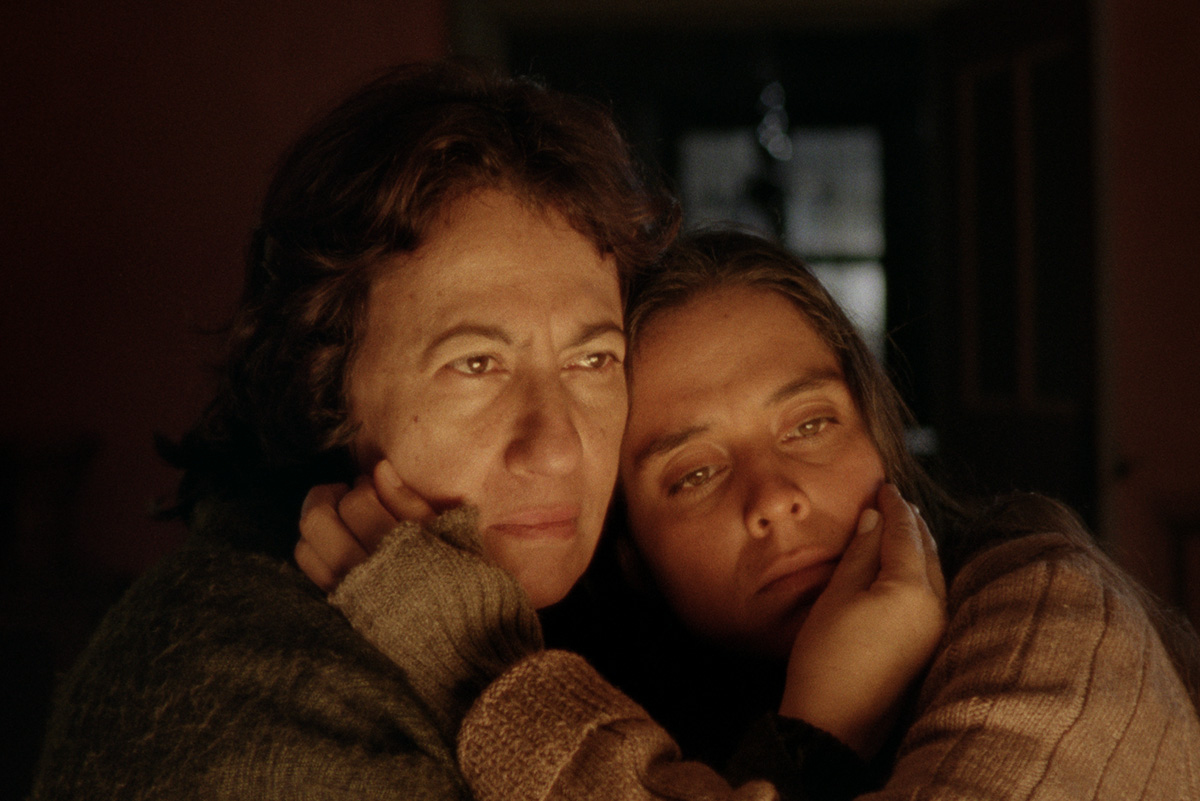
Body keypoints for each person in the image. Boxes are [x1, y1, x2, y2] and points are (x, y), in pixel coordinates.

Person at [300, 229, 1200, 800]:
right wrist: (813, 735)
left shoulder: (1055, 614)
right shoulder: (654, 693)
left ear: (879, 435)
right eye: (693, 473)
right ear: (632, 553)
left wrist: (470, 661)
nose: (774, 499)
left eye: (810, 425)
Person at [29, 60, 679, 799]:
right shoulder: (260, 706)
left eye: (593, 359)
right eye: (475, 364)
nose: (557, 447)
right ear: (323, 379)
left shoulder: (605, 609)